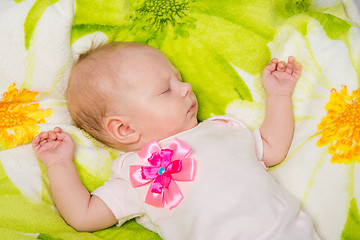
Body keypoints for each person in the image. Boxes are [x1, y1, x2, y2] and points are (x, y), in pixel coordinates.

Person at [32, 42, 320, 239]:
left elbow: (273, 147)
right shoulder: (135, 173)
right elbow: (84, 216)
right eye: (164, 90)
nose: (186, 87)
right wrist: (59, 163)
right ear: (124, 129)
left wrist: (279, 95)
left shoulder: (222, 128)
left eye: (179, 79)